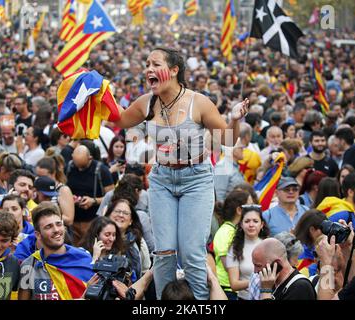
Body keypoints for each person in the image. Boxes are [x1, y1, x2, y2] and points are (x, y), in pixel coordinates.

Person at [112, 47, 249, 299]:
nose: (148, 69)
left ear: (174, 71)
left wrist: (235, 119)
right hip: (162, 179)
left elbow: (228, 139)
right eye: (147, 64)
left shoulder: (199, 102)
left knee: (191, 252)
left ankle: (197, 303)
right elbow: (119, 120)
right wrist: (94, 97)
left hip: (196, 179)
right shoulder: (146, 102)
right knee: (164, 251)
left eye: (155, 64)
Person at [18, 202, 94, 300]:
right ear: (38, 235)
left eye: (58, 224)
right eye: (48, 227)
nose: (56, 230)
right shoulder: (29, 265)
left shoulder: (84, 258)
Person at [66, 145, 114, 246]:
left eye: (82, 166)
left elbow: (111, 197)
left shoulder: (102, 171)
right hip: (72, 222)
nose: (78, 168)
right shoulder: (69, 168)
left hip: (92, 221)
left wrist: (94, 201)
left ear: (90, 158)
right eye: (76, 164)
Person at [213, 190, 253, 299]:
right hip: (227, 290)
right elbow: (229, 267)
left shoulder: (236, 230)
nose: (254, 210)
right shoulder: (225, 232)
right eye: (250, 206)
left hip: (239, 290)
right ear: (239, 210)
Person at [226, 204, 269, 300]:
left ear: (262, 224)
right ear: (241, 224)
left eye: (255, 221)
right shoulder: (235, 248)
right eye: (247, 221)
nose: (251, 225)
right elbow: (234, 284)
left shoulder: (269, 244)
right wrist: (258, 280)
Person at [104, 199, 150, 281]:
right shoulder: (98, 237)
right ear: (108, 215)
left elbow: (145, 271)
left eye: (126, 213)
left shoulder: (138, 241)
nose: (121, 215)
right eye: (117, 211)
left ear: (131, 221)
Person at [35, 157, 74, 226]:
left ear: (53, 173)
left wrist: (47, 215)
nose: (39, 179)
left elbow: (69, 219)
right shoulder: (36, 186)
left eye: (43, 176)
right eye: (37, 175)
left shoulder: (63, 190)